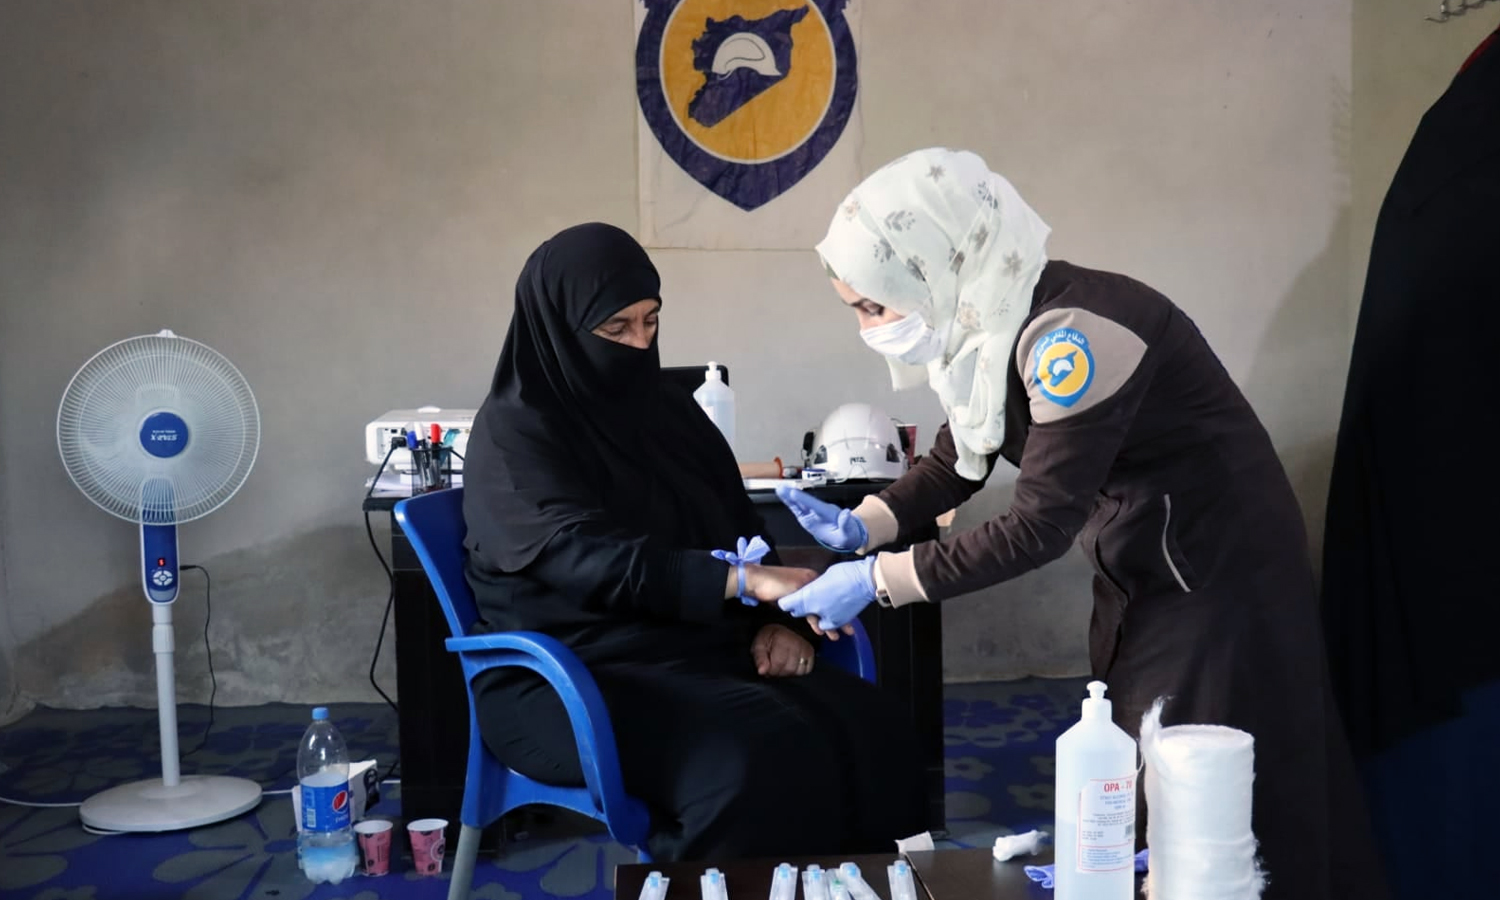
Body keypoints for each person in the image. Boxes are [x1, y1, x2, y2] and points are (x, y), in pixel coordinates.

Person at [772, 149, 1386, 899]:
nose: (870, 327)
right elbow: (962, 455)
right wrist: (863, 523)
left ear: (936, 264)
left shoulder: (1071, 337)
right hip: (1144, 562)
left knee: (1210, 782)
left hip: (1214, 571)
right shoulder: (991, 323)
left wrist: (877, 580)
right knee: (1137, 757)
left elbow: (1038, 525)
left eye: (875, 306)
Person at [460, 222, 927, 862]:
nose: (639, 344)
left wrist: (771, 619)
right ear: (557, 329)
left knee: (876, 731)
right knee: (750, 759)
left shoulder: (668, 411)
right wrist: (737, 584)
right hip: (571, 673)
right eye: (615, 330)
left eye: (650, 322)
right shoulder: (514, 435)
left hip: (692, 647)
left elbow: (736, 525)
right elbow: (583, 559)